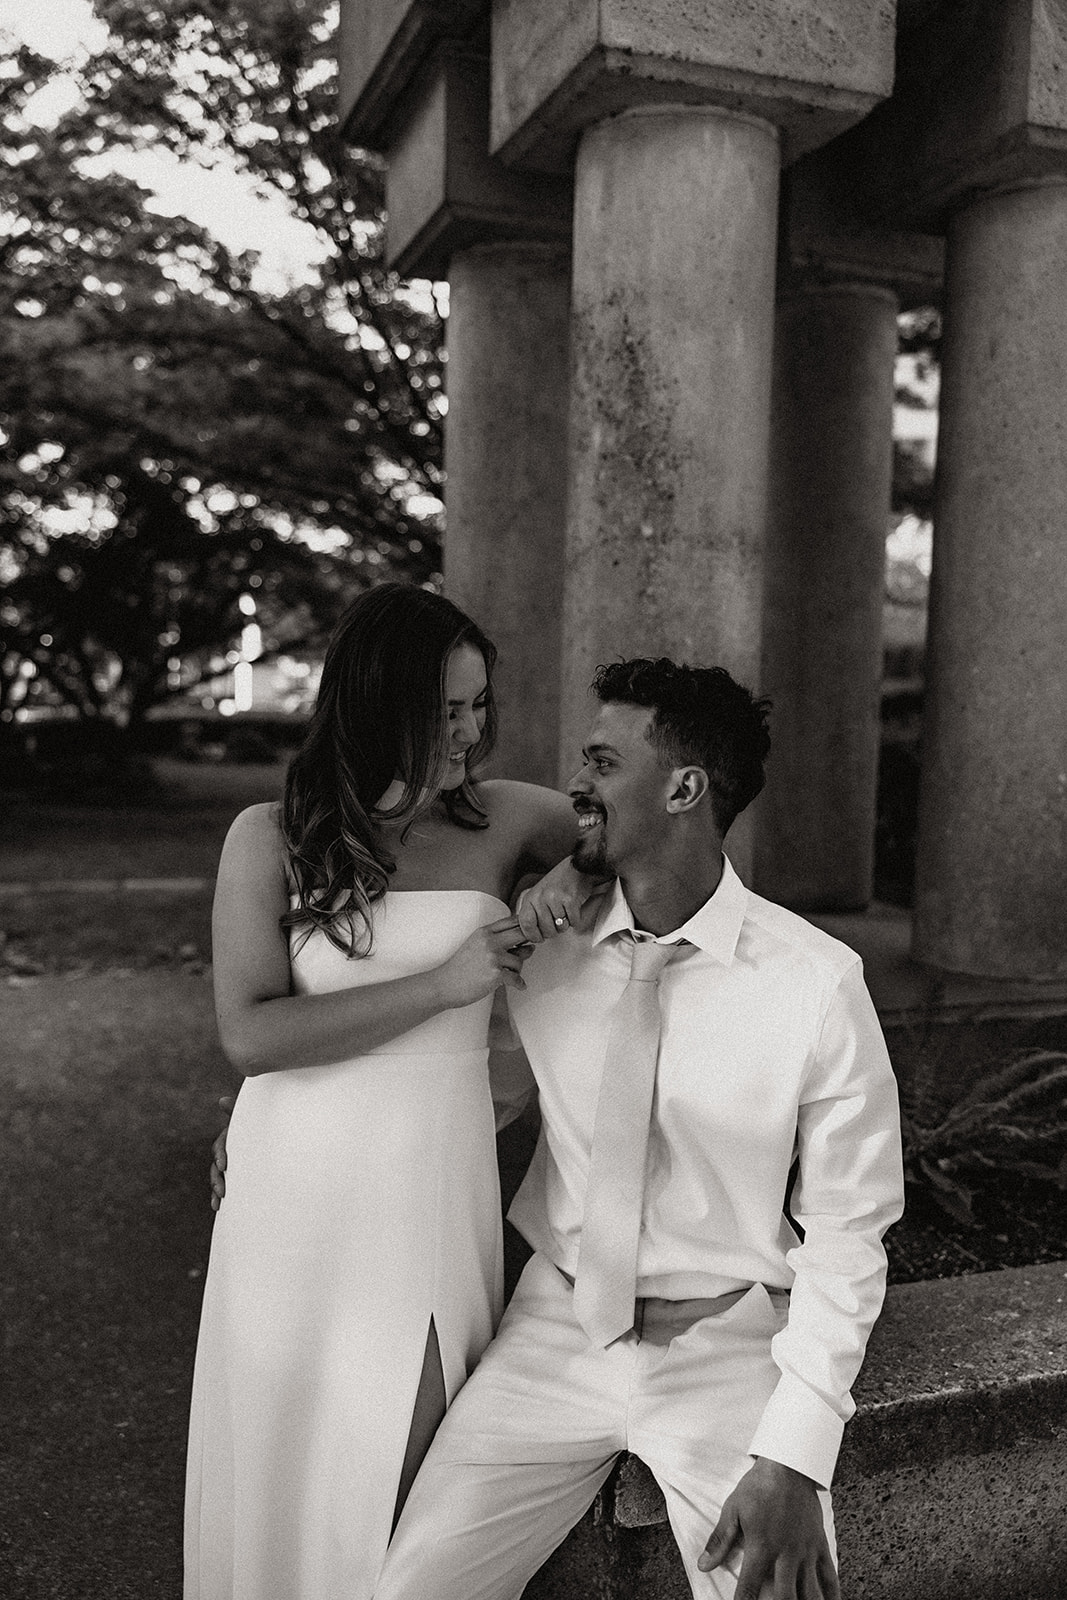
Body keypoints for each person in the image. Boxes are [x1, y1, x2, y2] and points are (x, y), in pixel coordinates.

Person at [373, 656, 905, 1600]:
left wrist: (796, 1451)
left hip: (729, 1346)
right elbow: (440, 1082)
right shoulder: (540, 950)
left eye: (602, 762)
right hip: (552, 1336)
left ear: (684, 787)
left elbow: (849, 1233)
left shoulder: (814, 983)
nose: (574, 783)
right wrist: (274, 1117)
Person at [184, 583, 598, 1600]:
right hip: (293, 1182)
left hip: (425, 1187)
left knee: (409, 1472)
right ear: (377, 703)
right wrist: (442, 985)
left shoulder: (502, 818)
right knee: (285, 1450)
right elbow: (251, 1031)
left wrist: (571, 881)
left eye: (477, 705)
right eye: (445, 709)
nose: (469, 731)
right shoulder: (267, 836)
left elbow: (639, 833)